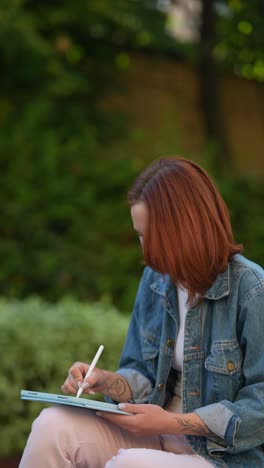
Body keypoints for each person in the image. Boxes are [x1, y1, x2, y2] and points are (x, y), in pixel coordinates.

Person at [19, 157, 264, 468]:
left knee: (131, 464)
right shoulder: (156, 280)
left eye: (151, 236)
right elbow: (142, 375)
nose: (145, 250)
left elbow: (260, 407)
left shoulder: (251, 289)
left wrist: (170, 424)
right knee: (51, 427)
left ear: (185, 228)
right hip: (156, 435)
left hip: (221, 457)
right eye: (139, 235)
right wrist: (105, 381)